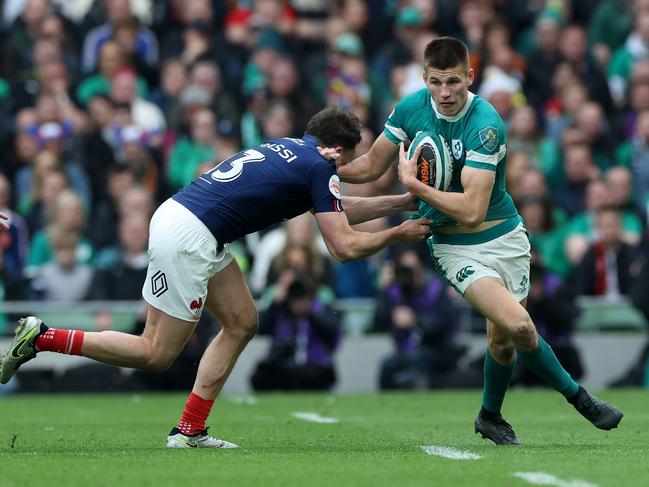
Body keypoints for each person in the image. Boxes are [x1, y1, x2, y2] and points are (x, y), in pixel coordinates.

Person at [0, 105, 431, 448]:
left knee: (243, 321)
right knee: (156, 353)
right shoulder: (319, 166)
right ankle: (43, 338)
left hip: (182, 217)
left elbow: (335, 210)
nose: (344, 172)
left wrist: (400, 203)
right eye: (348, 161)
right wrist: (398, 235)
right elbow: (342, 247)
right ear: (337, 149)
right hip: (193, 236)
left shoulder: (287, 148)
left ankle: (191, 429)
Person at [337, 36, 623, 445]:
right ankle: (581, 399)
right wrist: (320, 163)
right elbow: (367, 167)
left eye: (453, 81)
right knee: (521, 325)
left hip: (504, 237)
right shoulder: (409, 109)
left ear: (470, 76)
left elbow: (473, 209)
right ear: (424, 78)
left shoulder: (486, 123)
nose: (444, 92)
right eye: (435, 82)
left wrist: (414, 190)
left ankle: (489, 416)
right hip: (454, 247)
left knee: (502, 341)